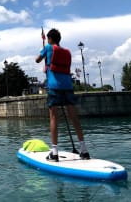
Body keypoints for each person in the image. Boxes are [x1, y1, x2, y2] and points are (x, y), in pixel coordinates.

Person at [35, 28, 90, 162]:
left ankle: (54, 152)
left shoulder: (48, 47)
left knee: (54, 117)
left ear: (50, 38)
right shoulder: (66, 52)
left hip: (54, 87)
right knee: (74, 117)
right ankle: (84, 150)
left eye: (48, 38)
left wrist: (44, 56)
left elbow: (37, 59)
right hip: (68, 86)